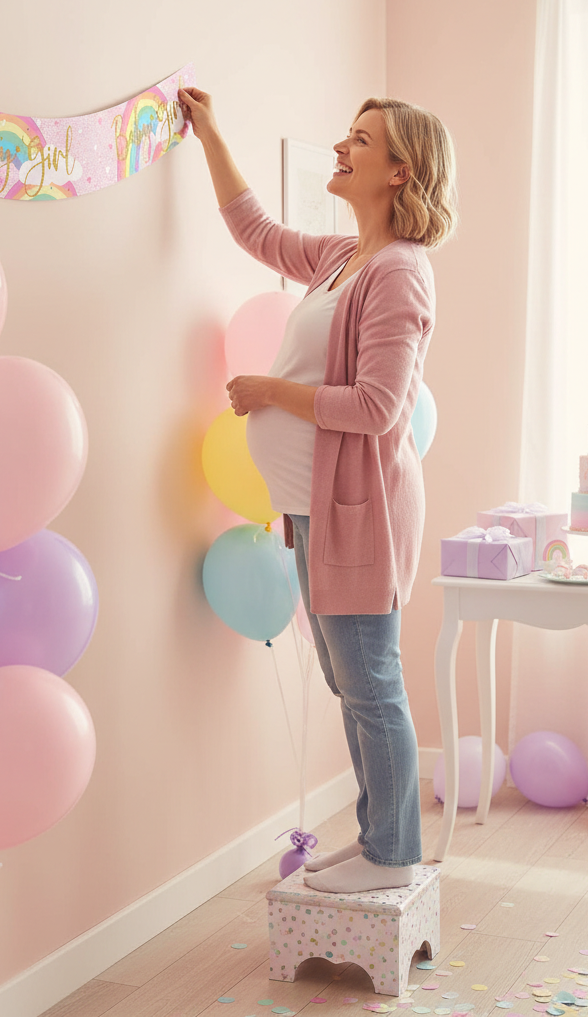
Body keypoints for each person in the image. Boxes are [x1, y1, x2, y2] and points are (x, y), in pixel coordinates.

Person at [179, 85, 457, 893]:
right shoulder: (345, 258)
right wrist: (211, 133)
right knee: (349, 682)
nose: (343, 148)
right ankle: (379, 840)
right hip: (313, 515)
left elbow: (377, 409)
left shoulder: (400, 274)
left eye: (360, 141)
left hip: (359, 516)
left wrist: (270, 393)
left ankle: (392, 858)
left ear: (401, 172)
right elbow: (256, 232)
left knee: (372, 684)